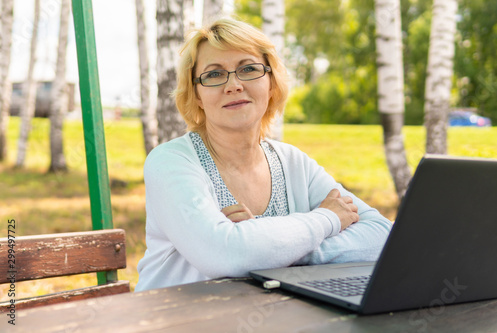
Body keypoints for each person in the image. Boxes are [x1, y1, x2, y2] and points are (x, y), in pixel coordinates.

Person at [135, 18, 392, 292]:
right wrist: (326, 220)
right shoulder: (171, 161)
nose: (233, 85)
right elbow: (225, 255)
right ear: (196, 94)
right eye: (214, 74)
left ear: (271, 84)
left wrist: (274, 245)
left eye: (248, 69)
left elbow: (381, 236)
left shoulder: (294, 163)